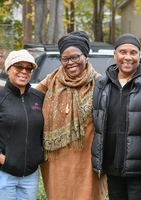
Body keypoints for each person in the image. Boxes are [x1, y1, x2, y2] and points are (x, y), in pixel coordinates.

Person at [35, 31, 107, 200]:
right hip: (56, 163)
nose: (70, 63)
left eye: (75, 57)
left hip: (88, 163)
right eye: (65, 59)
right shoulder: (49, 82)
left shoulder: (100, 83)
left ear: (86, 56)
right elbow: (27, 106)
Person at [91, 33, 141, 200]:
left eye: (133, 52)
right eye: (123, 52)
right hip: (112, 165)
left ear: (139, 55)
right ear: (115, 54)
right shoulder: (102, 84)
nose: (128, 57)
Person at [0, 49, 44, 200]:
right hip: (4, 173)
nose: (24, 71)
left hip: (31, 175)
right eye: (19, 66)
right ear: (8, 68)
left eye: (29, 68)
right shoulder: (1, 97)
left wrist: (39, 152)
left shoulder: (39, 97)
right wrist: (1, 158)